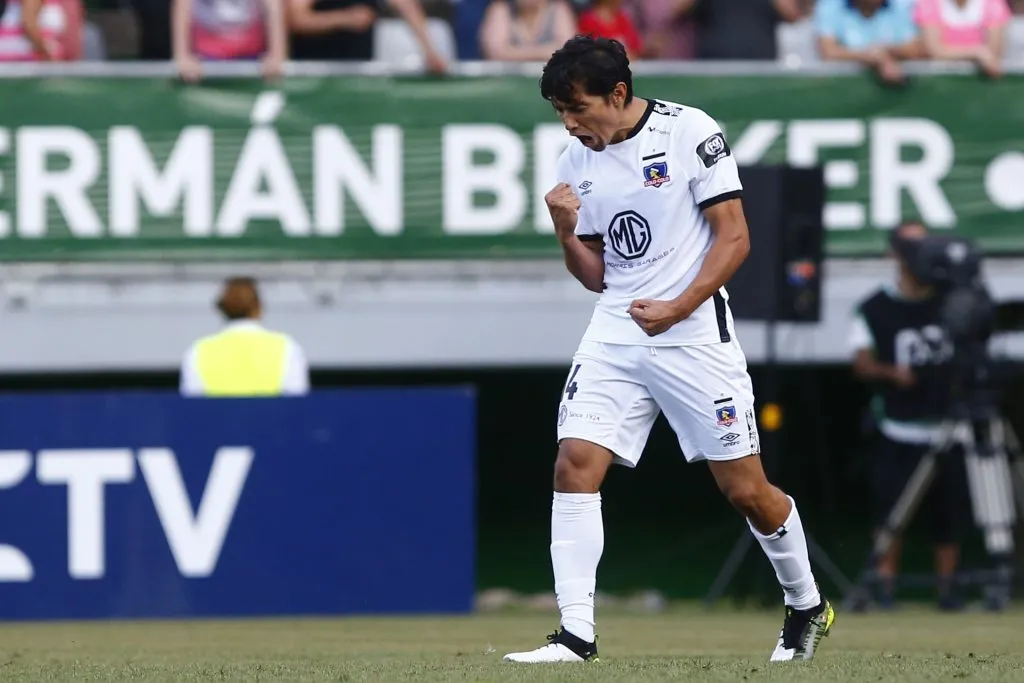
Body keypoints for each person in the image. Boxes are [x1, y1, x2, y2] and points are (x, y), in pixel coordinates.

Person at [503, 35, 834, 665]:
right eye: (560, 112)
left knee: (746, 490)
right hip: (615, 329)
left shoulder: (689, 132)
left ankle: (806, 604)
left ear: (617, 94)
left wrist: (678, 307)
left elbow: (734, 239)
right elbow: (597, 275)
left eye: (577, 108)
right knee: (574, 464)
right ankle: (575, 635)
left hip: (693, 331)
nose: (569, 124)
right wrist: (565, 230)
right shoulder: (574, 158)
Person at [849, 221, 968, 610]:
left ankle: (947, 590)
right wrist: (891, 373)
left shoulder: (953, 301)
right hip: (899, 427)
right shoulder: (874, 307)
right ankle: (885, 587)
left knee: (949, 513)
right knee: (891, 511)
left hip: (948, 425)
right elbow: (862, 362)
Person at [180, 277, 310, 397]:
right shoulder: (287, 348)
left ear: (223, 310)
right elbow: (297, 405)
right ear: (258, 307)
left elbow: (191, 406)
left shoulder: (198, 352)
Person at [814, 0, 924, 86]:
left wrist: (886, 52)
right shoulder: (830, 5)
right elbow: (828, 51)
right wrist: (873, 57)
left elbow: (916, 48)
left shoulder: (901, 5)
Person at [914, 0, 1012, 79]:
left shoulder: (993, 3)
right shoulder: (930, 3)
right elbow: (934, 50)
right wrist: (977, 52)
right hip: (940, 81)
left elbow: (993, 54)